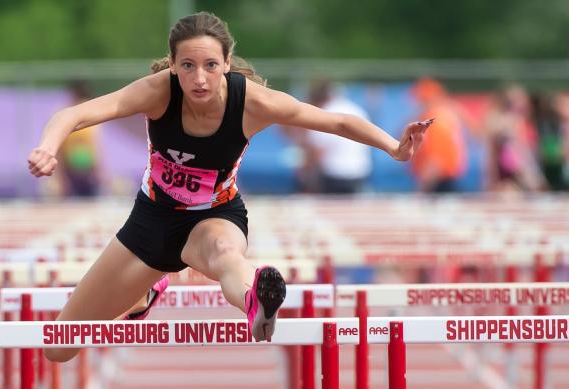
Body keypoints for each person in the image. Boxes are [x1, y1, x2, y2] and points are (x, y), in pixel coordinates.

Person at [28, 12, 430, 362]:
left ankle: (258, 302)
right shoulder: (157, 92)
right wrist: (48, 147)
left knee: (226, 254)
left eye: (209, 65)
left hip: (214, 216)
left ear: (227, 63)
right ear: (172, 65)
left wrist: (395, 147)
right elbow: (76, 114)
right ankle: (144, 294)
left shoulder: (253, 102)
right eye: (187, 66)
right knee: (59, 347)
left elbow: (337, 122)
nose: (199, 79)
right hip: (151, 220)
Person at [297, 80, 373, 194]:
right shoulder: (358, 110)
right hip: (360, 171)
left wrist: (307, 176)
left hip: (334, 175)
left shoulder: (324, 113)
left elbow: (319, 152)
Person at [409, 77, 467, 193]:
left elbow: (436, 162)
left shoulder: (435, 122)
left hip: (440, 184)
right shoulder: (445, 118)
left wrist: (421, 190)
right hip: (445, 181)